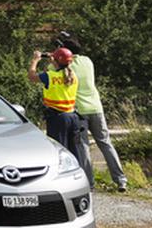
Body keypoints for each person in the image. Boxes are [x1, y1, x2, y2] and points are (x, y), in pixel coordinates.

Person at [58, 32, 127, 191]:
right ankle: (121, 180)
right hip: (96, 108)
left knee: (83, 147)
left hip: (79, 111)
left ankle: (89, 184)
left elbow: (54, 67)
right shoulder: (87, 61)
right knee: (106, 143)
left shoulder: (64, 67)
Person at [30, 47, 88, 171]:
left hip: (58, 119)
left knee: (58, 152)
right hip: (73, 117)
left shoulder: (50, 76)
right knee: (76, 152)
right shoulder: (73, 77)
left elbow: (32, 77)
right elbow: (62, 71)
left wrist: (35, 60)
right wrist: (54, 60)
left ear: (55, 61)